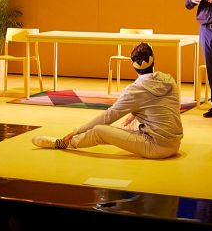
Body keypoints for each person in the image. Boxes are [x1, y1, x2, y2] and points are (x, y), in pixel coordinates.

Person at [31, 42, 183, 159]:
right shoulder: (168, 79)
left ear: (132, 65)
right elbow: (163, 106)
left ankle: (64, 142)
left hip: (157, 148)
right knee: (126, 124)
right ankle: (75, 138)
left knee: (100, 130)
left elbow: (108, 117)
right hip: (175, 144)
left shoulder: (135, 90)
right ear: (153, 59)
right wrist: (134, 114)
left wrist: (76, 131)